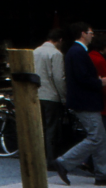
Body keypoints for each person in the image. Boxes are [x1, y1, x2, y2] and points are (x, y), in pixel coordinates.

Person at [52, 23, 106, 186]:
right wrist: (100, 82)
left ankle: (102, 173)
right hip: (85, 101)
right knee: (96, 137)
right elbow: (82, 78)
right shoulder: (78, 52)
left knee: (99, 137)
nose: (92, 35)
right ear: (83, 34)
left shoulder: (76, 51)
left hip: (84, 100)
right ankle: (64, 161)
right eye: (90, 32)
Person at [35, 28, 68, 163]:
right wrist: (64, 96)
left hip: (36, 94)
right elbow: (59, 78)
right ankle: (50, 159)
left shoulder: (35, 51)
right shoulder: (56, 54)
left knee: (39, 127)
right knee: (51, 129)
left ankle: (38, 157)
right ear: (60, 40)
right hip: (51, 95)